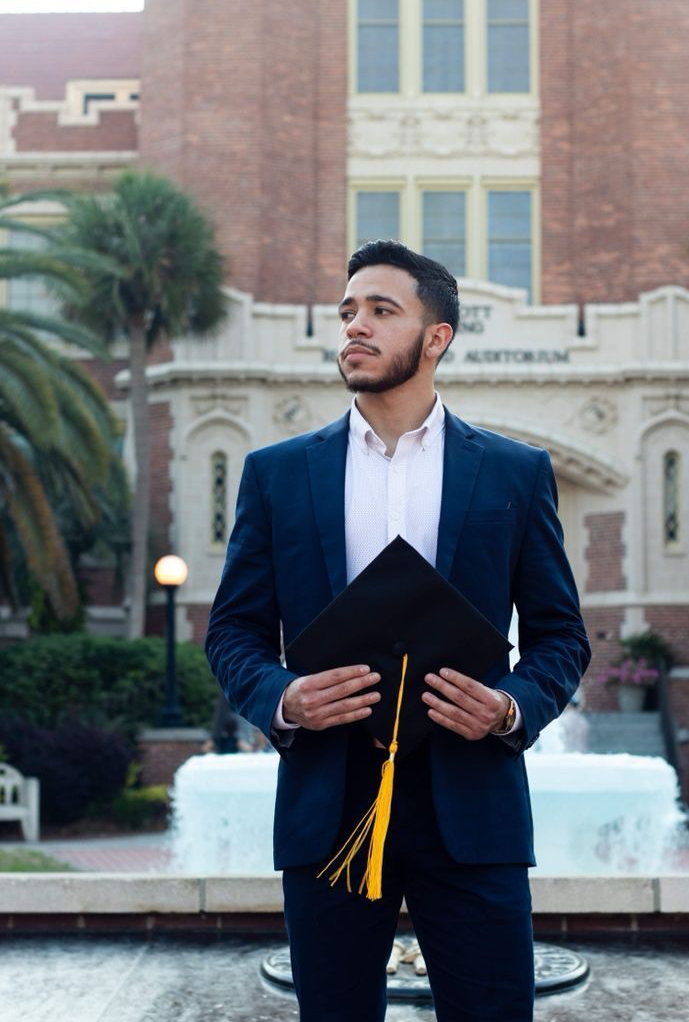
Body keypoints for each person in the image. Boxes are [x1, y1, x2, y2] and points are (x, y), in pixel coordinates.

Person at [205, 240, 590, 1022]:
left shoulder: (515, 473)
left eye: (382, 311)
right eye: (348, 311)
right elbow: (233, 632)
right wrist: (284, 697)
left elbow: (560, 636)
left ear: (437, 336)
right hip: (328, 804)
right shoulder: (277, 474)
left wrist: (512, 708)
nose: (356, 326)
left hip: (472, 805)